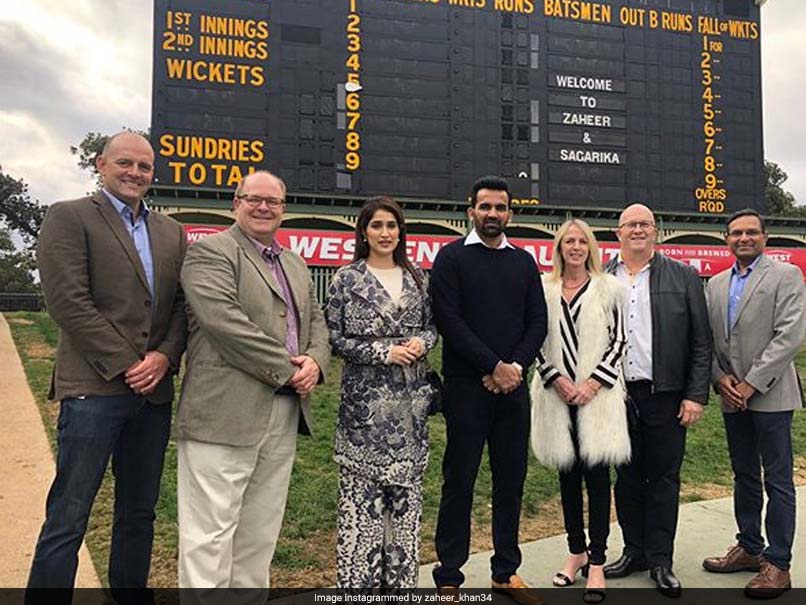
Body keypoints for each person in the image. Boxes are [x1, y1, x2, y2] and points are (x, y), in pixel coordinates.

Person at [28, 132, 187, 597]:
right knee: (70, 512)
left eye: (144, 166)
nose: (134, 173)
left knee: (139, 511)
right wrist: (127, 363)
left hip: (153, 394)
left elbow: (180, 305)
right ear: (100, 165)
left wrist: (163, 357)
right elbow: (67, 301)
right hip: (93, 390)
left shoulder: (171, 232)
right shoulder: (69, 216)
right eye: (125, 163)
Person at [176, 171, 330, 594]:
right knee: (208, 536)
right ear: (235, 203)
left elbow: (315, 320)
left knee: (259, 534)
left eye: (273, 202)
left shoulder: (294, 262)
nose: (264, 208)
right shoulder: (211, 252)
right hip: (223, 412)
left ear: (284, 208)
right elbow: (225, 324)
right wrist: (291, 368)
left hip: (283, 412)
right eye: (253, 199)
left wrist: (316, 361)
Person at [430, 176, 547, 603]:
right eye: (485, 207)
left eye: (500, 207)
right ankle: (448, 576)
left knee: (510, 482)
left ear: (509, 214)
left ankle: (505, 571)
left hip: (513, 389)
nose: (492, 214)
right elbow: (450, 323)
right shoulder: (450, 259)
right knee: (459, 480)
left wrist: (513, 367)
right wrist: (492, 365)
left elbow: (538, 321)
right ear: (470, 211)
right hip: (466, 389)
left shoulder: (523, 262)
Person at [325, 196, 438, 588]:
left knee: (404, 514)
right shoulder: (346, 279)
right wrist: (381, 351)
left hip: (409, 412)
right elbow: (333, 338)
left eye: (392, 225)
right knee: (363, 512)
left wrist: (423, 344)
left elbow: (431, 327)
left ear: (401, 231)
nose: (385, 233)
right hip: (364, 414)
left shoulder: (418, 278)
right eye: (377, 226)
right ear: (364, 231)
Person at [602, 203, 712, 598]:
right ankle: (634, 552)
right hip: (615, 395)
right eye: (630, 224)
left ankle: (660, 558)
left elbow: (702, 342)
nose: (637, 230)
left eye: (645, 224)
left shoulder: (682, 276)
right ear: (618, 232)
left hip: (664, 394)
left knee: (664, 479)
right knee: (627, 477)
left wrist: (695, 395)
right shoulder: (602, 277)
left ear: (656, 232)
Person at [702, 209, 806, 599]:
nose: (743, 239)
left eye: (750, 232)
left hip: (771, 395)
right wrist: (720, 379)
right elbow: (707, 340)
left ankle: (778, 563)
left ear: (765, 236)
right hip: (731, 396)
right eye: (735, 233)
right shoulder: (714, 284)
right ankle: (749, 547)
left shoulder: (785, 276)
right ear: (726, 239)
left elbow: (789, 336)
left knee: (777, 480)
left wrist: (751, 383)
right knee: (744, 475)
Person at [530, 219, 629, 603]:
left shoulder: (609, 289)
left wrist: (592, 383)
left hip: (597, 399)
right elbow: (533, 337)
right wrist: (555, 377)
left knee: (598, 480)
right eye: (568, 241)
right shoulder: (544, 288)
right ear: (559, 248)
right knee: (567, 478)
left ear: (590, 246)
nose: (575, 247)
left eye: (581, 241)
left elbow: (619, 342)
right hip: (557, 397)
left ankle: (599, 562)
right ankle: (576, 552)